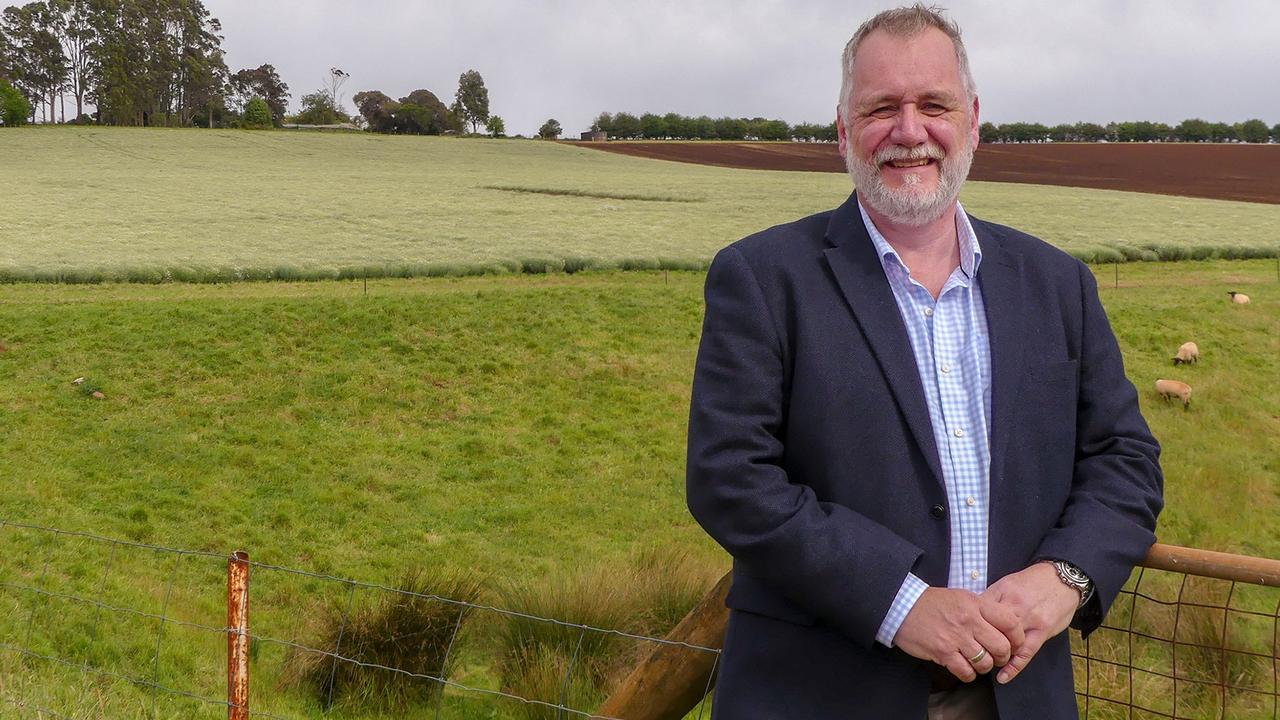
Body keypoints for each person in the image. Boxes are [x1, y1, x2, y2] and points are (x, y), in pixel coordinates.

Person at [685, 5, 1163, 719]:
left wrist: (1065, 577)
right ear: (844, 129)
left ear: (972, 119)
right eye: (882, 107)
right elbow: (729, 477)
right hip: (824, 693)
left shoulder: (1059, 283)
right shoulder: (763, 277)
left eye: (933, 104)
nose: (910, 131)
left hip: (1015, 696)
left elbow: (1125, 458)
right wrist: (899, 602)